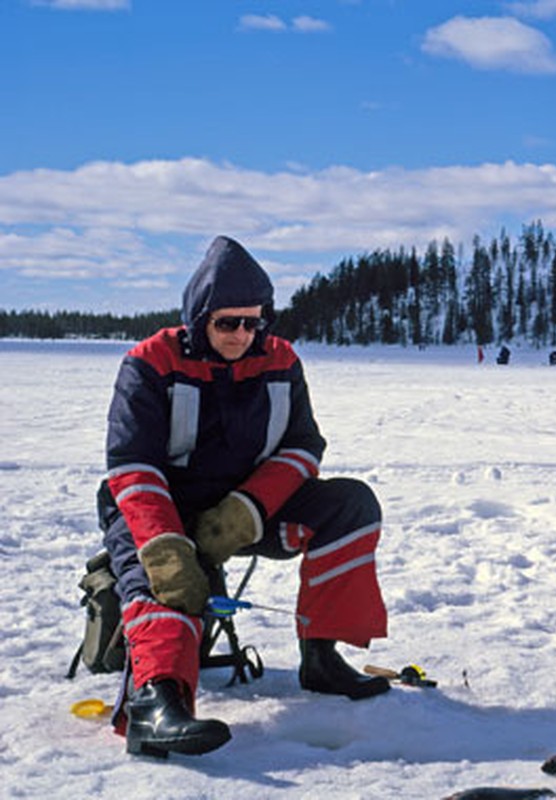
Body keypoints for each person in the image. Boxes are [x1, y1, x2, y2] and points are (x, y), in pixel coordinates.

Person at [100, 236, 392, 758]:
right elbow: (133, 465)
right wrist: (167, 544)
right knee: (164, 575)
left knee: (352, 506)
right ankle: (157, 704)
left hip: (247, 508)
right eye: (226, 323)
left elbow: (304, 445)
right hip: (161, 506)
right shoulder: (149, 363)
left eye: (252, 322)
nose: (240, 334)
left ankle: (321, 658)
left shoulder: (280, 361)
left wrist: (245, 512)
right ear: (199, 318)